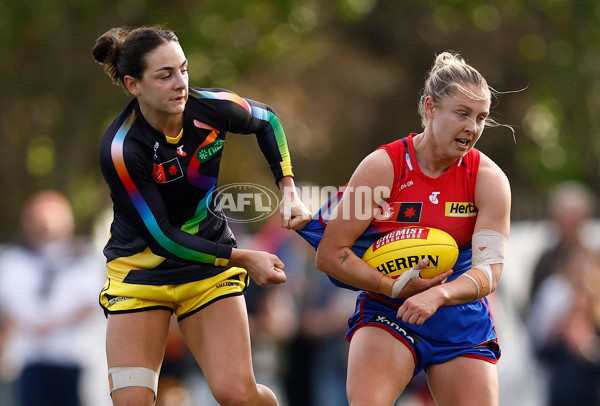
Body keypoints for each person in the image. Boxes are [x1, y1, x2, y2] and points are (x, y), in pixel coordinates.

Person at [91, 25, 310, 406]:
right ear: (133, 85)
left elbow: (268, 121)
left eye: (184, 69)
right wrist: (245, 258)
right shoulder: (122, 148)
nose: (181, 83)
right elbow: (161, 237)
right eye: (165, 75)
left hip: (208, 271)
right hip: (141, 276)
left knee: (237, 395)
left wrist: (287, 189)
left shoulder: (212, 108)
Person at [297, 51, 511, 405]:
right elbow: (330, 257)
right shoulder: (383, 167)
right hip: (388, 310)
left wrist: (437, 294)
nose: (472, 127)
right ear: (430, 107)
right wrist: (393, 288)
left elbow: (490, 272)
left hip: (458, 314)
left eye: (481, 117)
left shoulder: (488, 180)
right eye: (462, 113)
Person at [0, 190, 106, 406]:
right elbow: (10, 308)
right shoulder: (14, 260)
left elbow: (92, 301)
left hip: (75, 357)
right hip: (29, 359)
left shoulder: (86, 260)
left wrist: (52, 324)